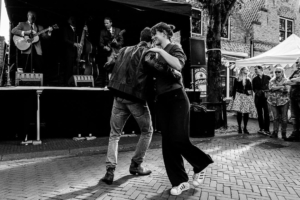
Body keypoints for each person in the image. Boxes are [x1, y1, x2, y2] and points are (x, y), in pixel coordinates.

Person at [148, 22, 213, 196]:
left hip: (177, 98)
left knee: (178, 137)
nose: (153, 37)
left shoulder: (174, 47)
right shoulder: (154, 54)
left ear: (163, 33)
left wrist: (160, 51)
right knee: (168, 143)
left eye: (155, 34)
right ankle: (180, 181)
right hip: (162, 101)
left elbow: (178, 65)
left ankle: (201, 164)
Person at [100, 27, 153, 185]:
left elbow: (107, 66)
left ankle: (110, 172)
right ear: (151, 41)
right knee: (147, 130)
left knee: (114, 134)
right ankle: (136, 165)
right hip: (134, 98)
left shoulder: (124, 50)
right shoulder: (148, 53)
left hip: (118, 96)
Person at [97, 17, 124, 87]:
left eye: (107, 23)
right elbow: (101, 43)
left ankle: (117, 85)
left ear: (111, 23)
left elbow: (121, 42)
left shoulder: (118, 30)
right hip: (109, 52)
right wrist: (105, 47)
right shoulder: (103, 32)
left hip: (117, 51)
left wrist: (116, 43)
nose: (105, 25)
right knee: (109, 68)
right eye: (104, 23)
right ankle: (109, 84)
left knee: (118, 68)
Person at [63, 16, 88, 85]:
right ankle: (67, 84)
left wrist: (86, 31)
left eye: (73, 19)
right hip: (69, 52)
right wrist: (74, 44)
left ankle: (76, 83)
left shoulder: (77, 29)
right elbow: (65, 40)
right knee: (69, 69)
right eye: (71, 19)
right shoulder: (66, 28)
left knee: (76, 69)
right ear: (68, 21)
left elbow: (83, 39)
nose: (73, 20)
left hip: (77, 53)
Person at [230, 67, 256, 134]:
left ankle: (245, 128)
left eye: (247, 71)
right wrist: (233, 97)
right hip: (239, 95)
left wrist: (251, 97)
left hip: (247, 96)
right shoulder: (237, 79)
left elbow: (251, 89)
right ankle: (239, 127)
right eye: (245, 71)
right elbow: (234, 88)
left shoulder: (249, 79)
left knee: (246, 112)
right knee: (239, 112)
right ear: (241, 71)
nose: (246, 72)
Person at [267, 67, 290, 139]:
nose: (277, 73)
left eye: (279, 72)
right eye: (276, 72)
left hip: (284, 101)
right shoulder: (272, 80)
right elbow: (271, 88)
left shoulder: (286, 80)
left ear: (282, 72)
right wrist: (281, 87)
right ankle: (275, 132)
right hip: (273, 101)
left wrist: (276, 87)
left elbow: (287, 90)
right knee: (275, 118)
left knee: (284, 118)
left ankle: (283, 133)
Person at [284, 57, 300, 141]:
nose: (296, 64)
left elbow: (296, 80)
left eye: (298, 62)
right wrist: (295, 81)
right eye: (296, 62)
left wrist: (295, 81)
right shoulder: (295, 72)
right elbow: (287, 81)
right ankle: (295, 133)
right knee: (294, 116)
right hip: (293, 97)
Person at [252, 66, 271, 135]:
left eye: (256, 69)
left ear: (261, 70)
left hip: (266, 98)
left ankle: (267, 129)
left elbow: (270, 86)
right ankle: (261, 128)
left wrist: (265, 91)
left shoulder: (267, 77)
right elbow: (253, 89)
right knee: (259, 114)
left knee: (266, 113)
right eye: (255, 70)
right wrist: (258, 92)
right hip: (258, 98)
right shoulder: (254, 79)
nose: (255, 71)